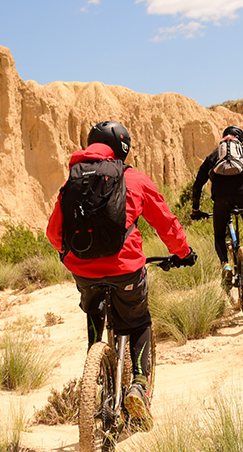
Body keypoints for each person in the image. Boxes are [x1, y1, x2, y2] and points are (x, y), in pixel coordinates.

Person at [46, 119, 195, 429]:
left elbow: (53, 232)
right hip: (126, 270)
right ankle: (139, 387)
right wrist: (183, 252)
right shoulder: (134, 179)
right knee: (138, 319)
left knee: (92, 306)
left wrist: (69, 256)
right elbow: (165, 222)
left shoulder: (73, 181)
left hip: (84, 272)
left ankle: (95, 372)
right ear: (121, 149)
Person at [190, 125, 243, 288]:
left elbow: (197, 185)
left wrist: (196, 210)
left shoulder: (214, 155)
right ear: (240, 141)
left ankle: (225, 264)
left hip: (221, 198)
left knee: (219, 235)